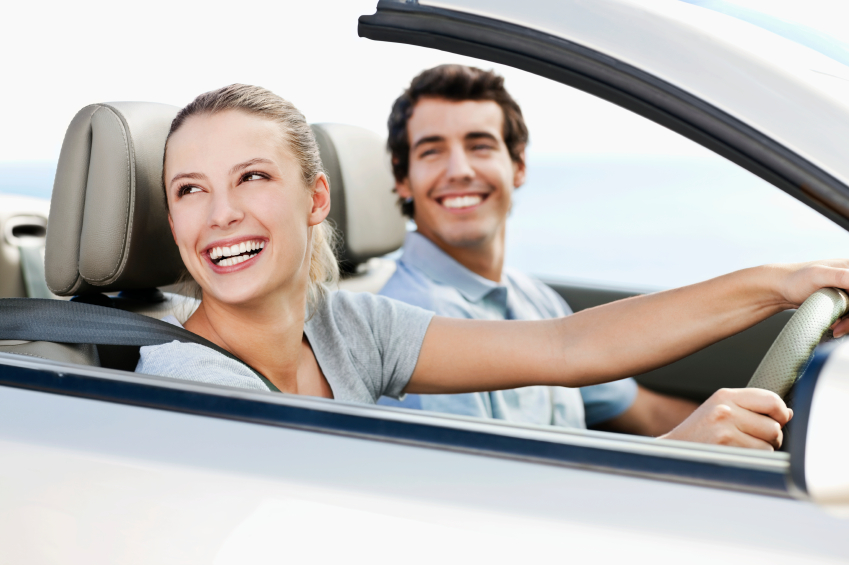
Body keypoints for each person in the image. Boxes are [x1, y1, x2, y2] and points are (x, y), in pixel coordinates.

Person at [136, 83, 849, 451]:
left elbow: (565, 346)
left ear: (315, 197)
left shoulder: (341, 323)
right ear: (172, 222)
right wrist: (673, 457)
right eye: (190, 189)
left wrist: (782, 283)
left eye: (251, 177)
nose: (220, 213)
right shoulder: (194, 384)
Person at [378, 65, 697, 436]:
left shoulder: (534, 298)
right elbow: (478, 489)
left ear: (519, 165)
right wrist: (689, 442)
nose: (459, 170)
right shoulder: (413, 323)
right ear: (403, 179)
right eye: (432, 151)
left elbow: (643, 412)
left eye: (480, 145)